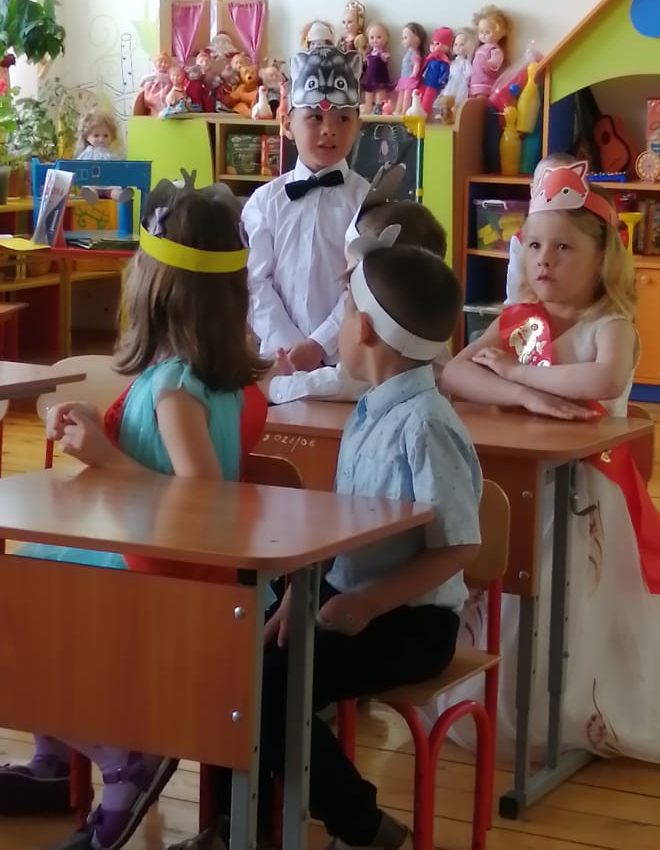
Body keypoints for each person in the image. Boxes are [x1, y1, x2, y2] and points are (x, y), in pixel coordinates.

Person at [170, 243, 482, 850]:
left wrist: (368, 604)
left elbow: (458, 548)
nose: (337, 325)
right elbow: (342, 531)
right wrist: (297, 595)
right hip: (343, 598)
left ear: (363, 330)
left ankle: (360, 825)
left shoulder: (426, 424)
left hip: (411, 623)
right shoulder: (370, 409)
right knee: (232, 656)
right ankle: (241, 826)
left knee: (270, 688)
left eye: (344, 311)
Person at [0, 186, 270, 850]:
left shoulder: (174, 388)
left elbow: (202, 498)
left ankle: (121, 763)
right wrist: (103, 435)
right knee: (28, 582)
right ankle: (56, 763)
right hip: (165, 567)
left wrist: (106, 458)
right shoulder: (215, 381)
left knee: (6, 617)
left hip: (156, 575)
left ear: (155, 289)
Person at [439, 162, 660, 762]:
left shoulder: (609, 325)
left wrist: (518, 374)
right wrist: (522, 395)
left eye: (564, 247)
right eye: (534, 245)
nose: (544, 260)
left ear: (601, 257)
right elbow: (456, 372)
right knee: (514, 588)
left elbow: (603, 378)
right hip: (524, 481)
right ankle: (511, 702)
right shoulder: (519, 321)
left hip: (588, 491)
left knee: (574, 596)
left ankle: (575, 707)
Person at [241, 44, 370, 372]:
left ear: (358, 125)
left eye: (343, 118)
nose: (329, 129)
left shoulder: (368, 201)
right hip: (278, 361)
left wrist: (319, 344)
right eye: (315, 117)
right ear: (287, 123)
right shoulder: (263, 203)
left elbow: (364, 282)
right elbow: (254, 281)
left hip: (345, 363)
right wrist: (289, 346)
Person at [266, 198, 448, 404]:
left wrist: (276, 385)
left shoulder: (394, 343)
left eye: (351, 271)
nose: (346, 282)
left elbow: (343, 383)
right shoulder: (426, 326)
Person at [505, 152, 588, 304]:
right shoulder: (520, 240)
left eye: (562, 185)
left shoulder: (585, 238)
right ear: (532, 190)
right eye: (546, 183)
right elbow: (515, 296)